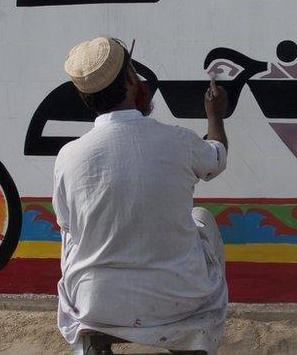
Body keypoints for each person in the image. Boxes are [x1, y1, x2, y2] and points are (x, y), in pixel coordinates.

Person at [53, 37, 230, 355]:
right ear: (133, 79)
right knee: (201, 218)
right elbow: (217, 158)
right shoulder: (179, 141)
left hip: (94, 302)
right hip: (177, 298)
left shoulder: (68, 156)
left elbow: (68, 226)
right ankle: (194, 339)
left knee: (70, 233)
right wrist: (215, 115)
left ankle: (94, 337)